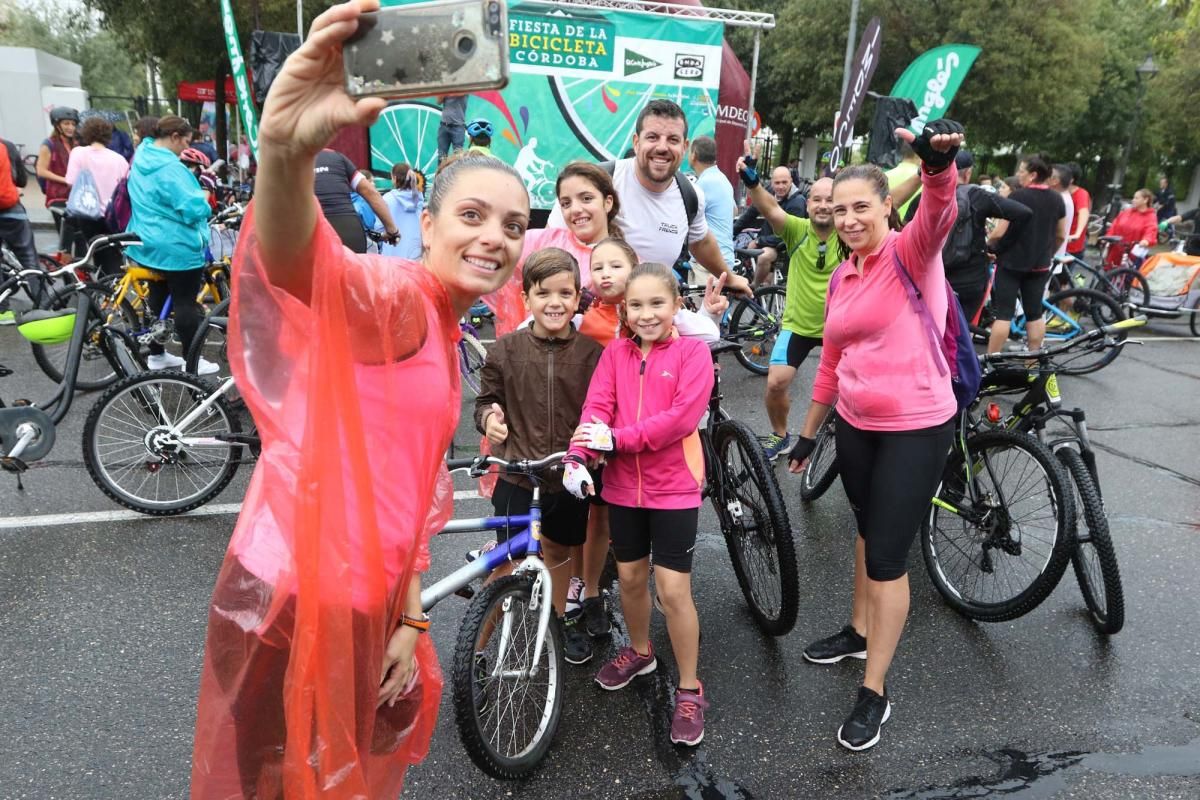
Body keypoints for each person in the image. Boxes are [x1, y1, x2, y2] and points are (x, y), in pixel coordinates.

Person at [190, 3, 532, 796]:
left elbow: (404, 500)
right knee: (277, 782)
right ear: (428, 223)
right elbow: (308, 265)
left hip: (362, 599)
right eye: (473, 216)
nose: (495, 238)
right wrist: (282, 152)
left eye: (513, 226)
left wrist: (409, 619)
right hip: (298, 596)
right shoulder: (402, 301)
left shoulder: (445, 329)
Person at [785, 119, 965, 752]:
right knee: (865, 532)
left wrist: (937, 165)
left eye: (862, 206)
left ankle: (875, 690)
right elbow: (831, 362)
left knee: (888, 559)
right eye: (839, 209)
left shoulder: (910, 252)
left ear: (887, 205)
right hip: (856, 427)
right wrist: (807, 438)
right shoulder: (842, 274)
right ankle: (858, 630)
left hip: (916, 427)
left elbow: (940, 212)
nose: (850, 218)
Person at [565, 261, 716, 747]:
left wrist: (617, 439)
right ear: (623, 309)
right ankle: (640, 650)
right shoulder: (614, 354)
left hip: (673, 489)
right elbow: (596, 408)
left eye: (657, 303)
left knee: (673, 592)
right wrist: (578, 456)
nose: (647, 314)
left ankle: (690, 688)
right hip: (622, 491)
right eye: (636, 304)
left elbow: (679, 420)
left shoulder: (693, 353)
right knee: (629, 578)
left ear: (676, 305)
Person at [474, 248, 604, 665]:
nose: (554, 302)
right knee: (507, 562)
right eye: (543, 292)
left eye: (565, 293)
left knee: (561, 552)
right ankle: (476, 647)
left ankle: (558, 618)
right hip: (516, 475)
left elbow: (602, 407)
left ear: (577, 297)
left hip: (567, 475)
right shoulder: (505, 350)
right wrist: (488, 419)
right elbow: (486, 402)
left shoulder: (591, 354)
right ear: (526, 298)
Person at [547, 99, 751, 297]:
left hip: (649, 323)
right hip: (589, 324)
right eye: (652, 137)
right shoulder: (596, 183)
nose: (662, 147)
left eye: (673, 140)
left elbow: (701, 242)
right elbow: (550, 248)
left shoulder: (690, 195)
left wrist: (729, 278)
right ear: (636, 142)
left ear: (684, 146)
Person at [734, 139, 842, 461]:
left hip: (841, 329)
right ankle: (781, 435)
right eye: (817, 200)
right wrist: (753, 180)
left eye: (831, 200)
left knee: (854, 394)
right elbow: (768, 208)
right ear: (807, 205)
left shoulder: (852, 233)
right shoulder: (797, 230)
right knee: (775, 384)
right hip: (797, 324)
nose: (823, 205)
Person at [125, 115, 219, 375]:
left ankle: (157, 355)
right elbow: (194, 209)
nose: (185, 149)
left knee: (156, 297)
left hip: (147, 242)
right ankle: (193, 362)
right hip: (176, 246)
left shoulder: (143, 156)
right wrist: (207, 189)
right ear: (175, 136)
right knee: (185, 304)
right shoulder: (170, 169)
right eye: (185, 142)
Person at [906, 150, 1031, 325]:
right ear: (968, 173)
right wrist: (997, 248)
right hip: (970, 280)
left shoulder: (922, 198)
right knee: (960, 333)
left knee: (929, 332)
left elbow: (906, 237)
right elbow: (1023, 213)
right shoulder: (978, 196)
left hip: (931, 278)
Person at [985, 154, 1066, 355]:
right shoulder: (1057, 199)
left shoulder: (1017, 197)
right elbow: (1061, 234)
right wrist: (1049, 253)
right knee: (1034, 314)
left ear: (1032, 175)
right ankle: (1033, 360)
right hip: (1040, 265)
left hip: (1011, 263)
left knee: (1004, 314)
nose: (1018, 175)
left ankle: (991, 360)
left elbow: (999, 232)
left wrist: (989, 245)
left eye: (1021, 171)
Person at [64, 116, 131, 270]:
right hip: (112, 216)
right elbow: (126, 187)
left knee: (97, 254)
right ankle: (109, 289)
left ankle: (102, 288)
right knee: (112, 256)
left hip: (86, 214)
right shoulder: (119, 159)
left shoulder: (78, 153)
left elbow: (70, 181)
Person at [313, 148, 399, 253]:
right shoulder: (337, 157)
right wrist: (392, 231)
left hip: (315, 232)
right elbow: (371, 192)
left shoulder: (292, 162)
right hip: (349, 230)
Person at [734, 165, 808, 285]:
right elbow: (750, 214)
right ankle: (764, 284)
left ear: (791, 181)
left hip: (786, 245)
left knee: (764, 256)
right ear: (772, 183)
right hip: (769, 240)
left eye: (784, 182)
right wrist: (732, 231)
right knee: (745, 248)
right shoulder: (769, 193)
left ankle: (755, 288)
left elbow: (790, 234)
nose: (781, 186)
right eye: (777, 183)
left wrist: (759, 241)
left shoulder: (797, 202)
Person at [688, 135, 736, 272]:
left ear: (694, 155)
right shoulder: (722, 178)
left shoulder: (704, 183)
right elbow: (734, 211)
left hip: (708, 264)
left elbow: (686, 217)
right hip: (724, 258)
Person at [0, 140, 36, 323]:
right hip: (11, 210)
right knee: (29, 259)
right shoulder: (6, 145)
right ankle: (44, 303)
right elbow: (21, 179)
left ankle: (2, 311)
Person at [36, 106, 78, 237]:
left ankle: (79, 258)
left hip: (76, 196)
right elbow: (41, 171)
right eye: (66, 123)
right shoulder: (49, 144)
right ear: (57, 125)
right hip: (58, 196)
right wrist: (65, 179)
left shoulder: (76, 144)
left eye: (73, 124)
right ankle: (65, 256)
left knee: (80, 237)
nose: (70, 127)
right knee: (66, 237)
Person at [381, 162, 424, 260]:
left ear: (395, 178)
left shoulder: (386, 199)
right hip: (415, 256)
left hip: (391, 258)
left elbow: (378, 227)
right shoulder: (419, 198)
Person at [1104, 188, 1158, 259]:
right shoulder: (1126, 212)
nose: (1133, 200)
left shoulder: (1150, 217)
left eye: (1136, 198)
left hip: (1132, 254)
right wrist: (1108, 236)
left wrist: (1146, 240)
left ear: (1145, 200)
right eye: (1133, 198)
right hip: (1115, 251)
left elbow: (1151, 231)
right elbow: (1114, 225)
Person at [1046, 164, 1076, 262]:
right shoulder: (1064, 197)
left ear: (1055, 181)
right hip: (1053, 255)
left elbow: (1058, 234)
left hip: (1049, 256)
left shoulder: (1059, 200)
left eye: (1048, 175)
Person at [179, 147, 218, 212]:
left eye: (191, 167)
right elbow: (196, 212)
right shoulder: (178, 188)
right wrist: (206, 188)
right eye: (188, 166)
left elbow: (214, 209)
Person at [1065, 162, 1090, 260]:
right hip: (1058, 243)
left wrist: (1077, 233)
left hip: (1072, 244)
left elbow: (1083, 212)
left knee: (1074, 274)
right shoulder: (1060, 192)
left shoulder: (1081, 194)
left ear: (1071, 179)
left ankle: (1083, 276)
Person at [436, 94, 468, 161]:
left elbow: (461, 92)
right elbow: (438, 101)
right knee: (441, 156)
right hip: (444, 125)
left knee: (458, 157)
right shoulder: (446, 87)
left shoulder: (464, 85)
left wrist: (446, 91)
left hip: (458, 126)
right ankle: (441, 171)